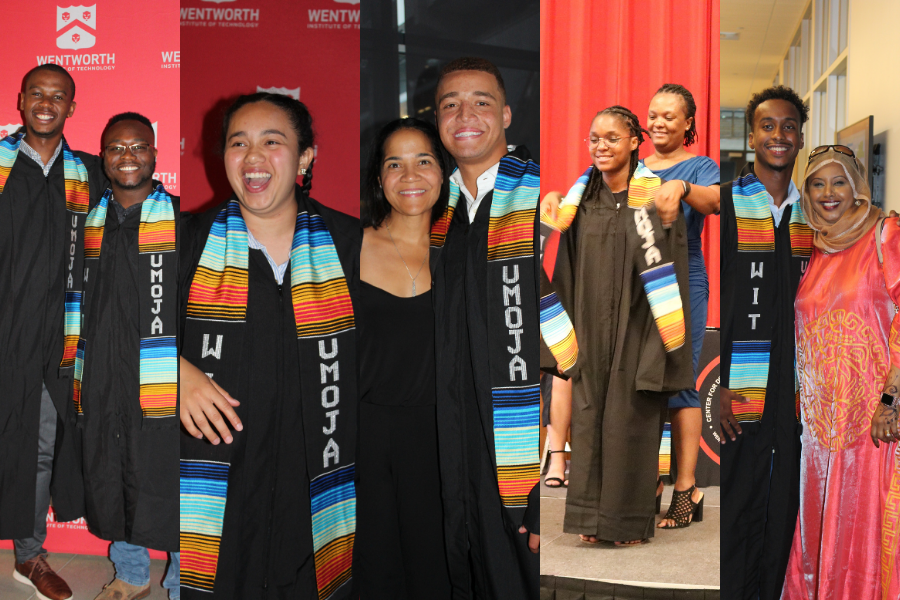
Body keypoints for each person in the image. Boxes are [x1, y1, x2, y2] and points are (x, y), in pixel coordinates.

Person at [177, 93, 360, 599]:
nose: (252, 157)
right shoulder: (186, 241)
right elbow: (117, 328)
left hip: (318, 480)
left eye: (272, 142)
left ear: (305, 158)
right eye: (238, 143)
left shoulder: (352, 245)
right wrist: (173, 369)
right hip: (217, 490)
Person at [540, 85, 720, 531]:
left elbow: (717, 201)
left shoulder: (697, 167)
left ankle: (686, 488)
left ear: (688, 123)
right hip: (620, 284)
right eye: (653, 114)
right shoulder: (620, 172)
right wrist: (558, 200)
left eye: (669, 116)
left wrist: (682, 187)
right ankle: (641, 485)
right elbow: (576, 214)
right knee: (624, 389)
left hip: (676, 281)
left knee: (675, 383)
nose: (658, 122)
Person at [430, 57, 540, 598]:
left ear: (507, 115)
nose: (465, 115)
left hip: (525, 444)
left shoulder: (542, 198)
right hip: (457, 442)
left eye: (481, 102)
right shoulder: (433, 213)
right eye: (450, 105)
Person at [1, 64, 107, 600]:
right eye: (37, 94)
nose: (46, 103)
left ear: (72, 106)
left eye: (58, 96)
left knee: (39, 445)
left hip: (55, 337)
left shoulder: (89, 174)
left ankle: (28, 553)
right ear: (20, 100)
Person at [780, 146, 900, 599]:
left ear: (857, 189)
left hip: (871, 423)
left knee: (864, 530)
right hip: (819, 431)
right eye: (817, 183)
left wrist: (891, 401)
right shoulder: (811, 246)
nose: (828, 193)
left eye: (839, 182)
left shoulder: (886, 236)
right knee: (818, 531)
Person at [72, 112, 180, 600]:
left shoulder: (183, 221)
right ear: (103, 158)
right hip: (101, 370)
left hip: (162, 375)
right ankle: (131, 573)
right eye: (117, 148)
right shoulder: (87, 226)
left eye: (138, 147)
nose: (128, 156)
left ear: (155, 154)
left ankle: (182, 580)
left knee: (169, 473)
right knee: (113, 469)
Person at [719, 85, 812, 600]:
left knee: (787, 500)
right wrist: (719, 383)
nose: (779, 135)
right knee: (739, 499)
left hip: (798, 389)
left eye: (789, 126)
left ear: (800, 137)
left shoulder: (815, 217)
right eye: (768, 126)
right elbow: (708, 296)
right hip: (741, 384)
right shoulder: (727, 204)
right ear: (752, 136)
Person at [355, 117, 452, 598]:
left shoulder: (463, 253)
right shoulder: (346, 246)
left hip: (442, 437)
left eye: (423, 161)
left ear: (444, 172)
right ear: (379, 177)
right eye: (395, 164)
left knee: (436, 571)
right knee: (371, 572)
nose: (410, 175)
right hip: (361, 437)